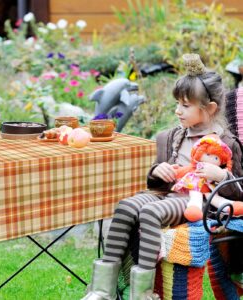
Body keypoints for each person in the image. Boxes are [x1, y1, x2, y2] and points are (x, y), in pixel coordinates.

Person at [81, 53, 243, 300]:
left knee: (150, 213)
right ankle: (103, 289)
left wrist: (221, 174)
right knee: (125, 207)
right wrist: (157, 172)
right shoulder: (170, 137)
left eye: (185, 105)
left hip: (198, 201)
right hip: (166, 193)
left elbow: (238, 188)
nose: (178, 111)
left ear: (209, 108)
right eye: (177, 104)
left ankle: (143, 292)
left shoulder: (227, 142)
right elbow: (157, 180)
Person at [171, 134, 243, 222]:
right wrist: (170, 171)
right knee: (195, 197)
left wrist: (221, 176)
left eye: (216, 158)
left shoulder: (231, 143)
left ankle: (233, 206)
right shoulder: (193, 167)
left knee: (215, 199)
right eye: (208, 154)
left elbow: (238, 187)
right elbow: (180, 171)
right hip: (194, 188)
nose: (211, 159)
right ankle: (194, 210)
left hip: (210, 190)